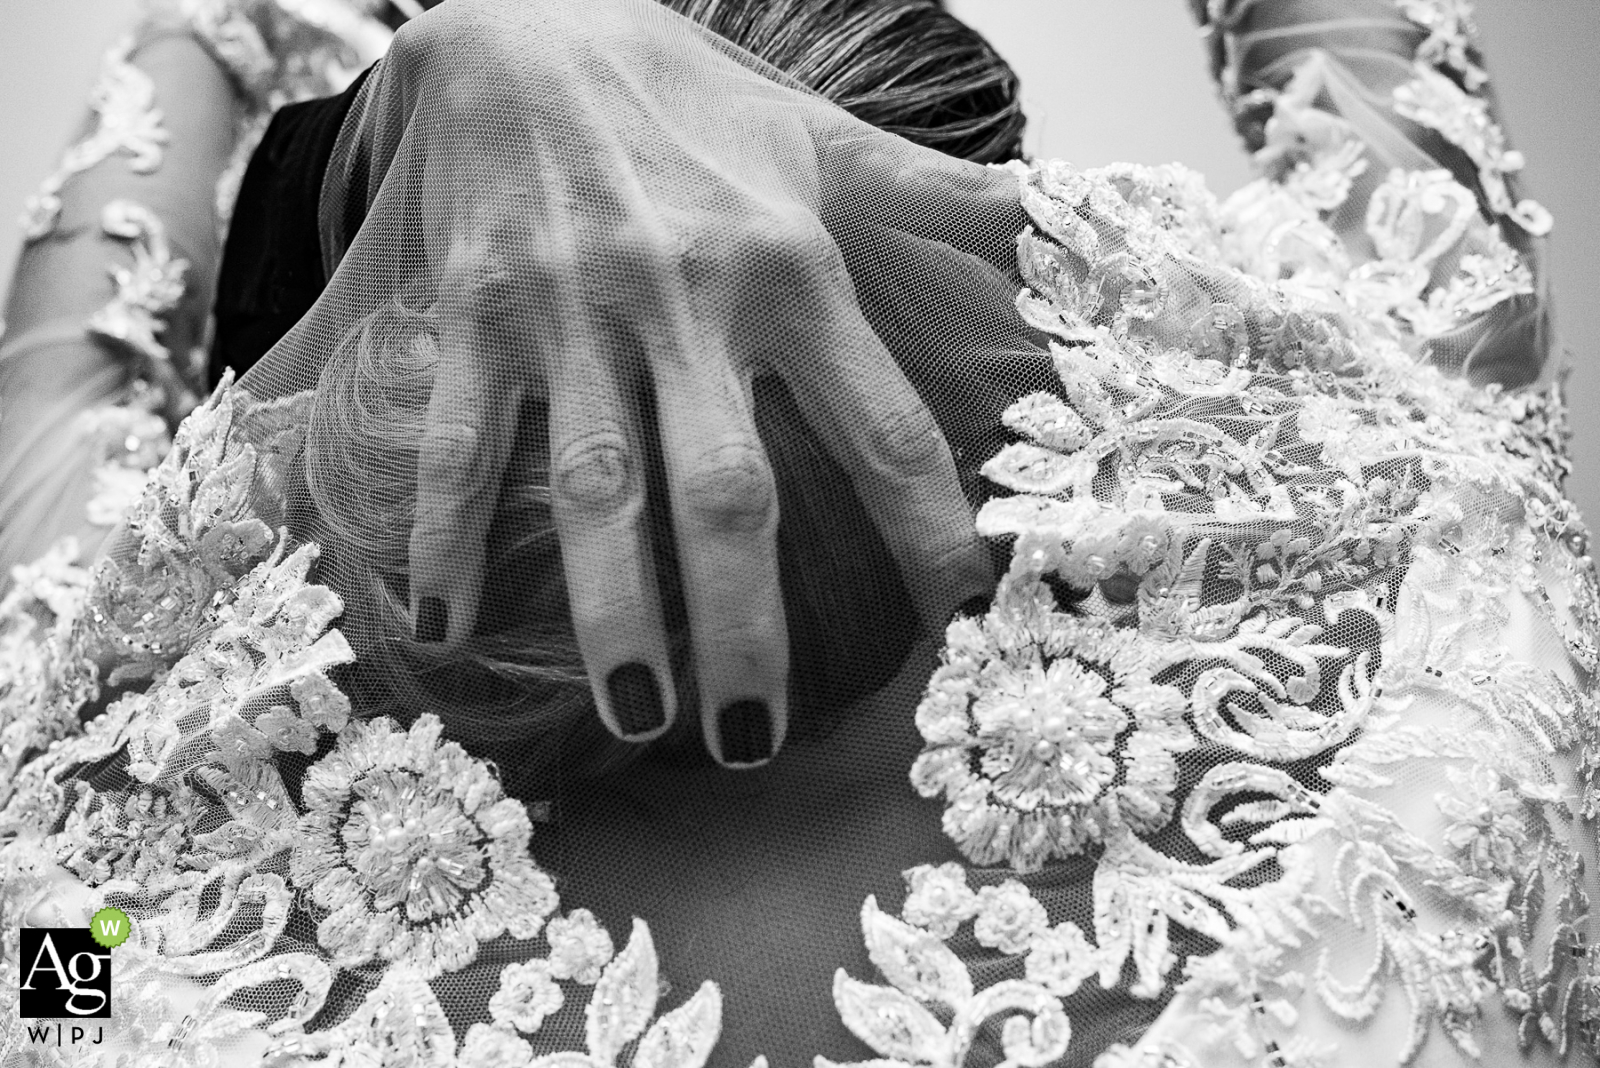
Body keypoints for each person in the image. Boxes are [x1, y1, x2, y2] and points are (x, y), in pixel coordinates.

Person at [0, 1, 1593, 1067]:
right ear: (990, 280)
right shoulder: (1450, 601)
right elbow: (1359, 55)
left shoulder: (78, 880)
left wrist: (432, 69)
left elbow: (89, 312)